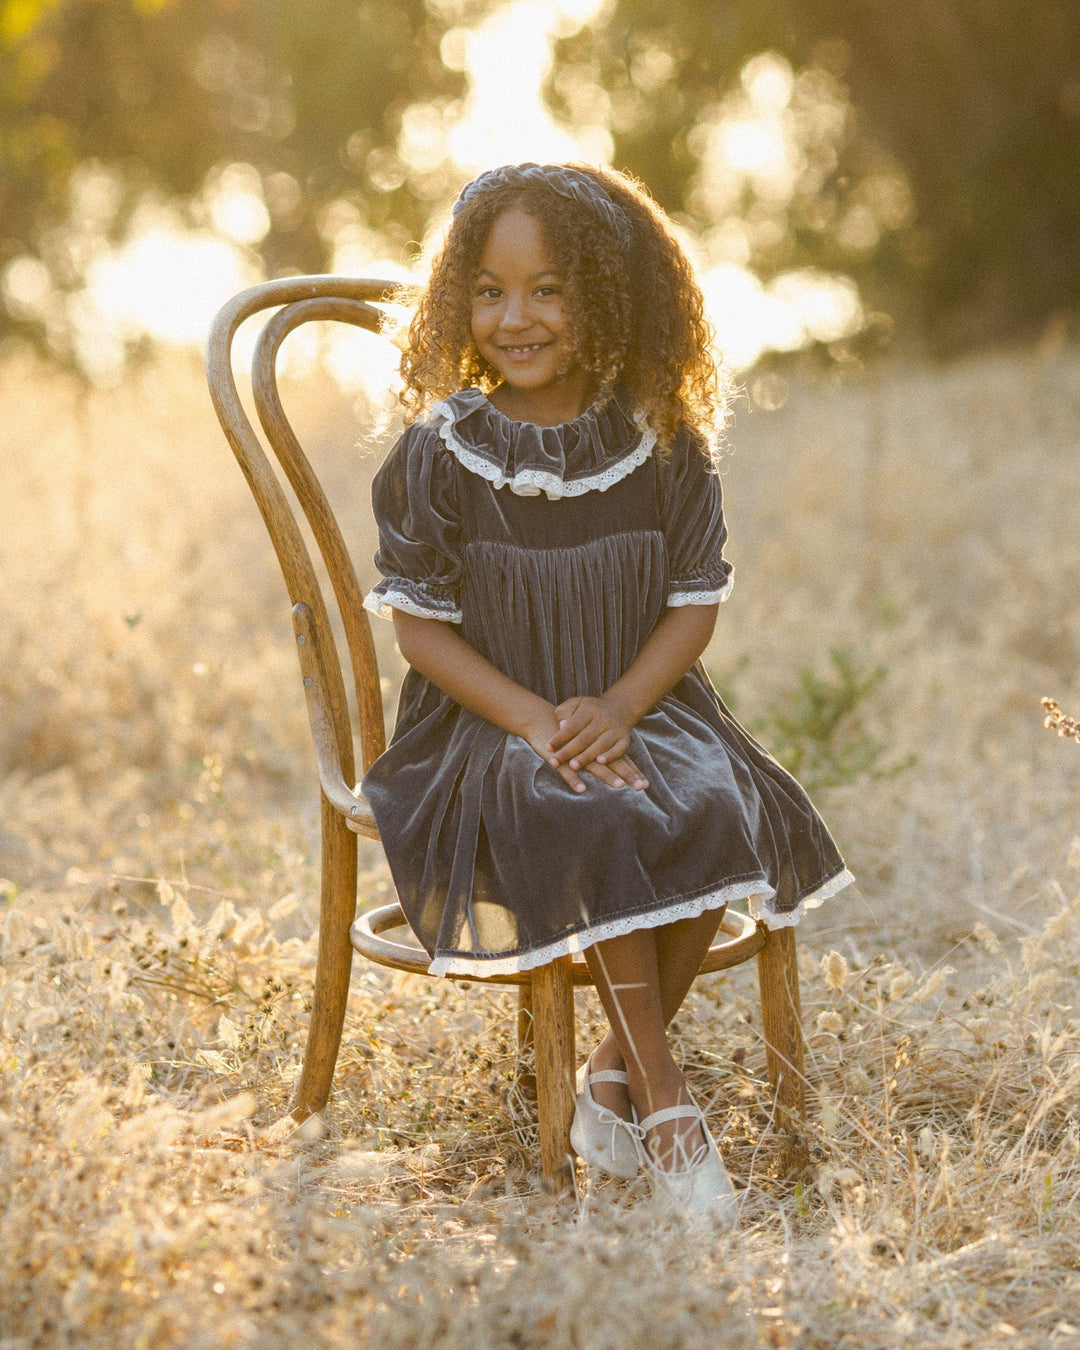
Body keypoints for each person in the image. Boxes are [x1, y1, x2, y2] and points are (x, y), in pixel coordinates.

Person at [360, 162, 855, 1220]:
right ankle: (667, 1104)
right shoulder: (442, 450)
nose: (516, 317)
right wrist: (543, 720)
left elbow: (692, 607)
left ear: (606, 295)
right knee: (592, 799)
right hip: (487, 725)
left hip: (640, 703)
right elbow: (421, 633)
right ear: (458, 299)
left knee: (717, 800)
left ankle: (610, 1079)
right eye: (489, 290)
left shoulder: (662, 439)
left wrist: (621, 706)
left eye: (549, 288)